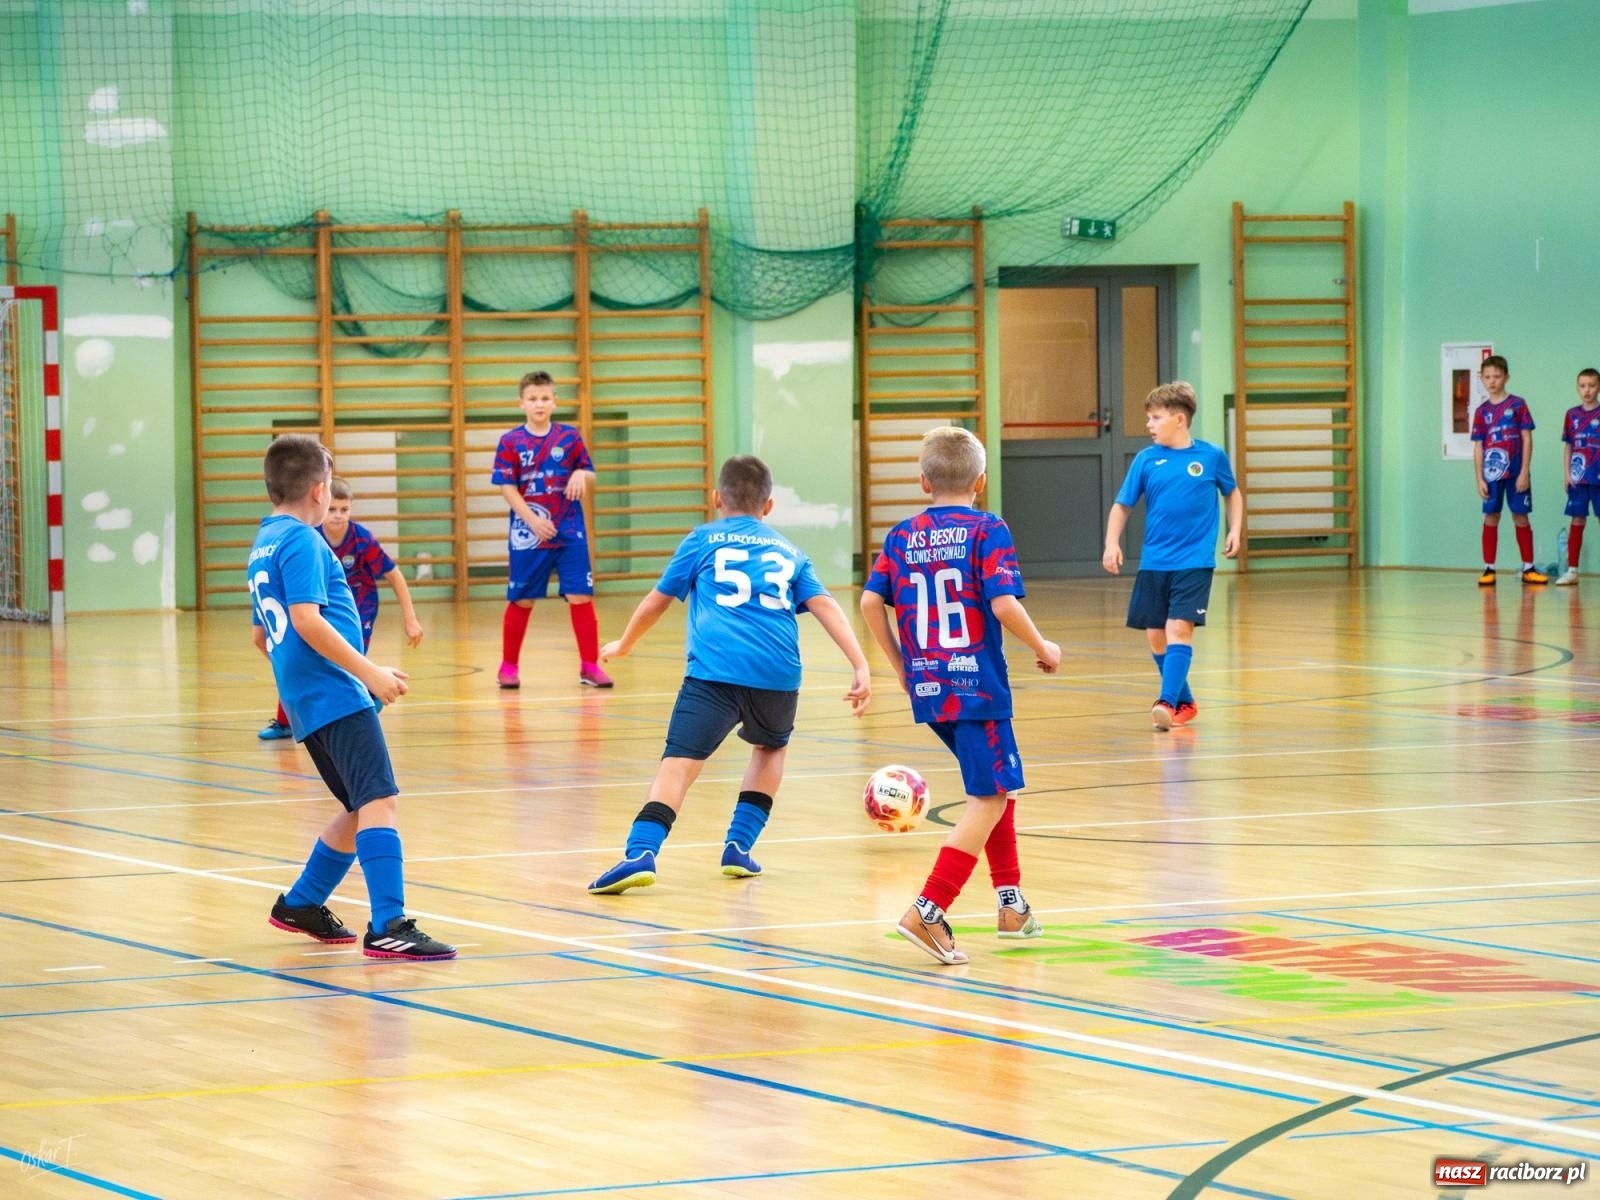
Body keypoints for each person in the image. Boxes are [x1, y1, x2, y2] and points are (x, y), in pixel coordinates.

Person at [587, 455, 872, 894]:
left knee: (679, 764)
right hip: (779, 675)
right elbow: (827, 607)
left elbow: (655, 602)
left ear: (717, 497)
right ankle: (739, 846)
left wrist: (624, 644)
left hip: (714, 673)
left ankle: (641, 853)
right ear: (769, 506)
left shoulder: (701, 540)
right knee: (770, 749)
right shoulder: (791, 552)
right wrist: (860, 664)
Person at [860, 426, 1061, 966]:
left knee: (997, 787)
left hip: (930, 684)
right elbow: (1002, 606)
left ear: (922, 480)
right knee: (990, 797)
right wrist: (1043, 645)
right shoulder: (988, 529)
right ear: (982, 480)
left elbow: (869, 603)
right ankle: (928, 912)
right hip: (977, 686)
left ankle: (1010, 904)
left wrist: (902, 667)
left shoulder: (902, 535)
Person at [249, 435, 455, 960]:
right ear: (320, 491)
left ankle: (302, 902)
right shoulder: (302, 542)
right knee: (379, 801)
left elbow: (262, 636)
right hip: (335, 694)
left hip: (308, 697)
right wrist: (366, 674)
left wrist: (309, 681)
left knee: (359, 804)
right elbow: (306, 620)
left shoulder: (265, 541)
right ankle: (388, 923)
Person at [1102, 381, 1242, 732]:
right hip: (1155, 562)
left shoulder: (1211, 457)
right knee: (1155, 634)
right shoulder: (1147, 459)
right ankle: (1186, 702)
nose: (1149, 425)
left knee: (1178, 627)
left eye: (1155, 418)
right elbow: (1123, 505)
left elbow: (1233, 492)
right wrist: (1111, 542)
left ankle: (1166, 701)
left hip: (1194, 562)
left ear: (1179, 419)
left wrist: (1235, 529)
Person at [257, 475, 423, 740]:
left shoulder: (361, 540)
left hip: (360, 611)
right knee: (304, 654)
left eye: (344, 510)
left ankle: (362, 704)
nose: (337, 515)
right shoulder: (309, 538)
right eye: (332, 509)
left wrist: (410, 618)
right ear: (320, 501)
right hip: (322, 609)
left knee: (346, 659)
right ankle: (285, 720)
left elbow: (394, 574)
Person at [492, 370, 610, 690]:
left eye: (545, 398)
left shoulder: (570, 437)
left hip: (570, 530)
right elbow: (506, 487)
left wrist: (581, 475)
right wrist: (531, 519)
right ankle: (508, 666)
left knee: (580, 595)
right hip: (530, 533)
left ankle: (589, 666)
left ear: (555, 402)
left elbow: (589, 472)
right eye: (533, 399)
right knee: (522, 599)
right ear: (522, 403)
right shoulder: (510, 442)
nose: (539, 404)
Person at [1472, 355, 1547, 585]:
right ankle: (1488, 569)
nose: (1492, 381)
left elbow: (1527, 438)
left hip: (1516, 474)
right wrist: (1479, 479)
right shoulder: (1481, 411)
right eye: (1487, 377)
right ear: (1481, 379)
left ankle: (1528, 568)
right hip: (1491, 475)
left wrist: (1524, 470)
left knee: (1520, 516)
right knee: (1491, 516)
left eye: (1497, 376)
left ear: (1506, 377)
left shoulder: (1518, 404)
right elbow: (1478, 447)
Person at [1556, 367, 1600, 586]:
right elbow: (1568, 447)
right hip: (1578, 478)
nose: (1587, 390)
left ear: (1598, 387)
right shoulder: (1571, 415)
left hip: (1598, 477)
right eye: (1583, 386)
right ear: (1577, 388)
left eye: (1592, 385)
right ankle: (1573, 570)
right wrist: (1566, 474)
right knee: (1577, 520)